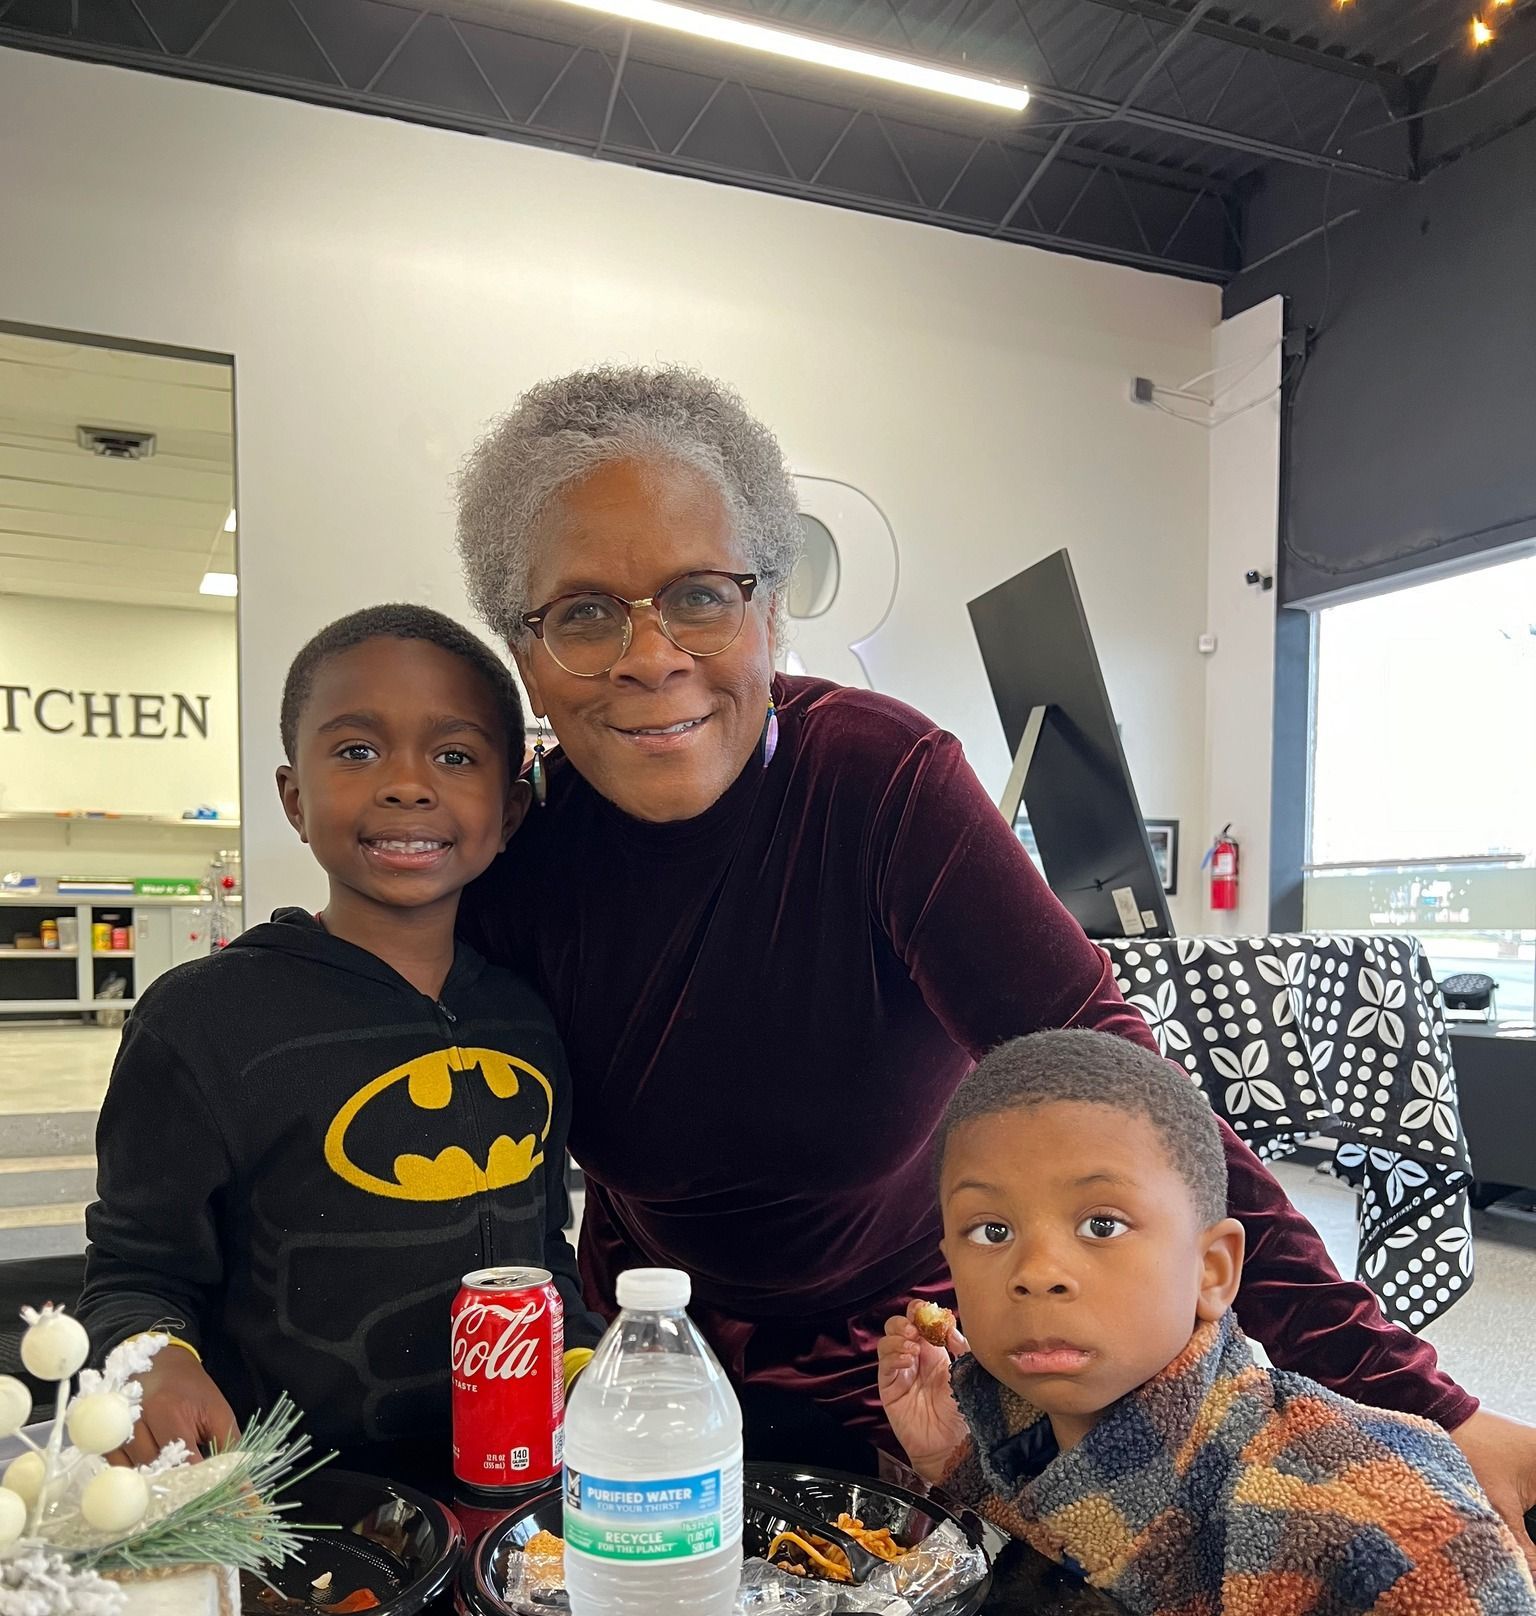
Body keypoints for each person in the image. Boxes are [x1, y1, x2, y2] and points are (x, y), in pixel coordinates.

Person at [455, 362, 1536, 1552]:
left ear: (770, 613)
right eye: (585, 612)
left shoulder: (875, 780)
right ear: (524, 650)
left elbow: (1131, 1104)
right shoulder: (508, 850)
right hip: (651, 1369)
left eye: (701, 595)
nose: (650, 655)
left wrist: (1423, 1400)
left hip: (924, 1371)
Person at [876, 1030, 1536, 1616]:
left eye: (1102, 1224)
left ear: (1214, 1270)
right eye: (991, 1231)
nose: (1035, 1270)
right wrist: (945, 1461)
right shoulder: (1020, 1437)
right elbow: (1055, 1582)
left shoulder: (1373, 1530)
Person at [78, 604, 602, 1473]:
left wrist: (584, 1366)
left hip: (511, 1491)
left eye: (456, 755)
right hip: (292, 1515)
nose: (407, 783)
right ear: (294, 797)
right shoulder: (202, 1020)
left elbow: (541, 1248)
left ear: (511, 810)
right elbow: (135, 1272)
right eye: (358, 751)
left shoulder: (527, 1018)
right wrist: (154, 1359)